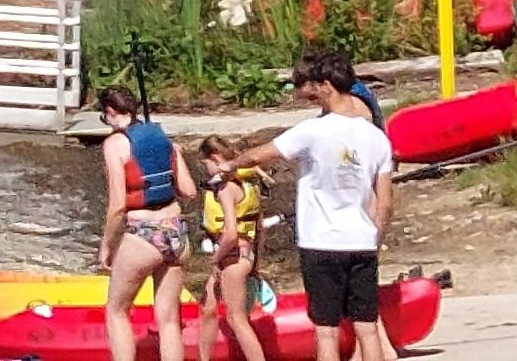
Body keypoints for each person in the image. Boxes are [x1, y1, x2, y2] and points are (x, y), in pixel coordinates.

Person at [270, 49, 394, 361]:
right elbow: (385, 199)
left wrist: (232, 164)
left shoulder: (327, 124)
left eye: (305, 87)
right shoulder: (371, 131)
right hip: (361, 236)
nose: (301, 94)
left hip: (325, 240)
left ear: (323, 84)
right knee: (366, 324)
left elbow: (270, 151)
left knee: (326, 329)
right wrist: (374, 236)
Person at [95, 79, 197, 361]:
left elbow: (118, 205)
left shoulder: (115, 144)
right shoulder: (165, 140)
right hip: (177, 232)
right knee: (168, 319)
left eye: (105, 117)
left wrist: (107, 246)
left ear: (111, 111)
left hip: (143, 234)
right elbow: (189, 191)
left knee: (116, 311)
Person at [187, 135, 271, 361]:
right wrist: (256, 263)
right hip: (242, 257)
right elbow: (259, 228)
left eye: (204, 163)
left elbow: (231, 233)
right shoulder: (249, 184)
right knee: (208, 310)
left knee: (236, 319)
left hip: (231, 260)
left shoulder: (226, 188)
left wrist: (215, 260)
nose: (205, 168)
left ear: (213, 159)